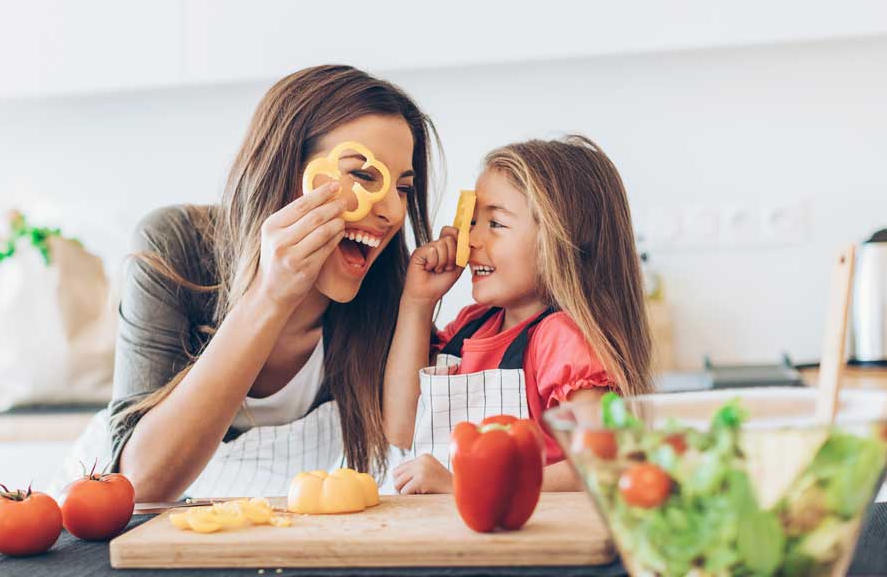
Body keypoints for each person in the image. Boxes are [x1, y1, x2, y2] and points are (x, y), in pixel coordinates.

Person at [108, 65, 440, 502]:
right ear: (285, 169)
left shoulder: (388, 291)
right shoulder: (175, 246)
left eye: (403, 188)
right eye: (362, 176)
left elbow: (406, 441)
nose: (393, 213)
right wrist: (270, 295)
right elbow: (141, 486)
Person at [383, 135, 653, 494]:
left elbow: (605, 462)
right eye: (473, 222)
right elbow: (402, 429)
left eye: (495, 224)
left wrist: (467, 484)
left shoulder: (561, 339)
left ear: (558, 241)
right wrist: (417, 302)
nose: (471, 240)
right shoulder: (470, 327)